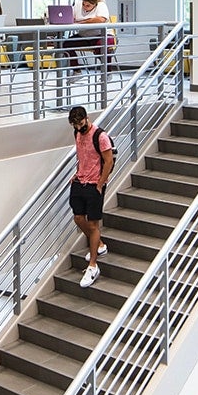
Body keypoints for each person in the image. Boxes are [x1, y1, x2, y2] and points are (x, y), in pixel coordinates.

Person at [67, 105, 114, 288]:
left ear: (86, 118)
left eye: (80, 124)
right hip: (80, 182)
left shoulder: (100, 136)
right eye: (75, 125)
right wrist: (77, 173)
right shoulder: (77, 133)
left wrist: (100, 183)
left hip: (95, 184)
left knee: (93, 225)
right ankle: (99, 244)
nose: (79, 128)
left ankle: (93, 265)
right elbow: (82, 156)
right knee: (78, 218)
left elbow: (108, 161)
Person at [67, 0, 112, 69]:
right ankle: (76, 71)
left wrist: (82, 22)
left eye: (88, 5)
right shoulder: (78, 4)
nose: (84, 7)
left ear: (95, 4)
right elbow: (70, 17)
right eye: (83, 4)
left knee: (102, 47)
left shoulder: (101, 5)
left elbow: (101, 20)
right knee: (65, 45)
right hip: (84, 36)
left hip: (102, 35)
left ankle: (107, 72)